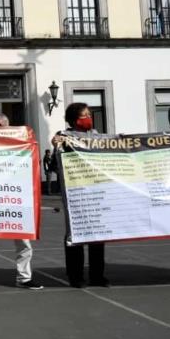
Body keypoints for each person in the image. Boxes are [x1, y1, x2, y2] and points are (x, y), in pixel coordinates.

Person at [0, 113, 43, 292]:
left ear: (8, 127)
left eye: (0, 124)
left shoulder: (20, 144)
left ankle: (24, 278)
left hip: (15, 197)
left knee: (23, 242)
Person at [53, 102, 108, 288]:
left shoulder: (97, 136)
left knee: (97, 234)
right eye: (85, 115)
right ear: (75, 119)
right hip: (75, 191)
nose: (88, 118)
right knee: (75, 234)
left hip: (95, 189)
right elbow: (56, 163)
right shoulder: (64, 137)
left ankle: (97, 275)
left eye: (89, 114)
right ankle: (75, 276)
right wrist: (56, 146)